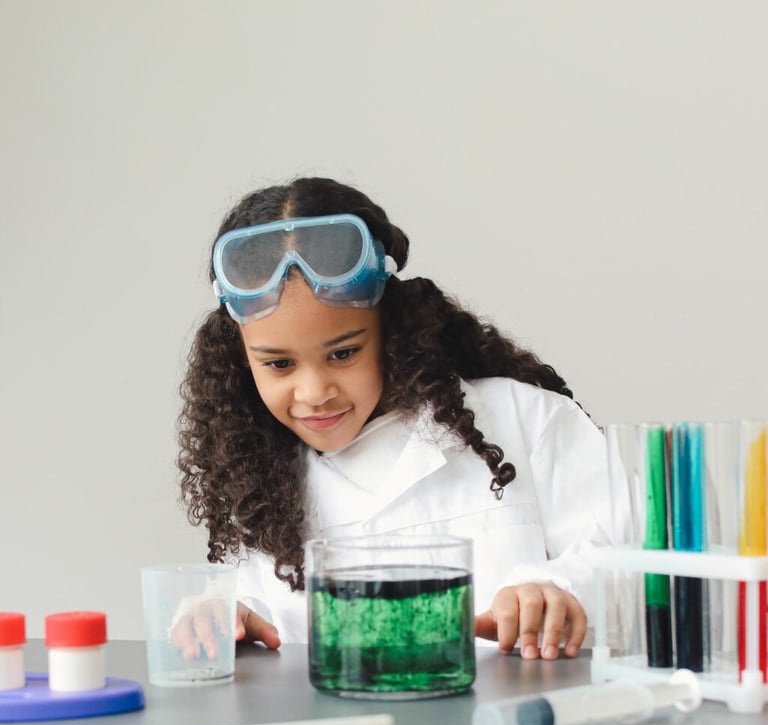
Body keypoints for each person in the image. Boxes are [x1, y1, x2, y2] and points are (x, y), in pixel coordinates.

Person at [177, 176, 613, 662]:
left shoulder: (524, 419)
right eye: (279, 364)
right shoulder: (256, 486)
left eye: (343, 353)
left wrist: (556, 587)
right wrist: (226, 614)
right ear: (241, 360)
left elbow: (632, 551)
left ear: (390, 328)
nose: (315, 393)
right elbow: (264, 619)